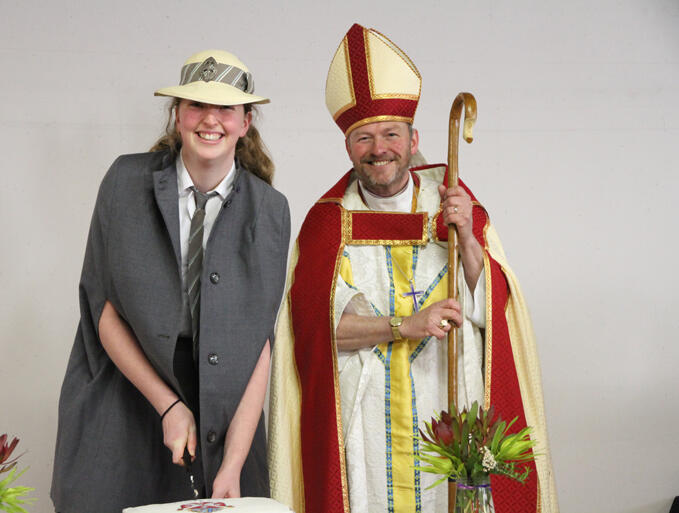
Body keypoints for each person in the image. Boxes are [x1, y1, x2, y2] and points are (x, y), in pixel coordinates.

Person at [268, 24, 558, 513]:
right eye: (364, 137)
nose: (379, 148)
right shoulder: (327, 225)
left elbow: (496, 310)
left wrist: (467, 238)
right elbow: (316, 332)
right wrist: (405, 327)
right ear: (348, 147)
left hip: (448, 404)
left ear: (414, 137)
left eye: (390, 134)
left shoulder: (457, 208)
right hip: (365, 423)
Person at [51, 50, 290, 513]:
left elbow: (261, 344)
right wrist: (168, 405)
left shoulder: (271, 211)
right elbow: (102, 311)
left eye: (226, 108)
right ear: (178, 114)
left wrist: (234, 460)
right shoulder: (124, 181)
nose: (210, 120)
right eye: (197, 105)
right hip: (126, 385)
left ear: (245, 122)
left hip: (224, 403)